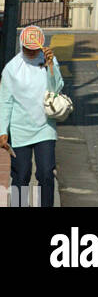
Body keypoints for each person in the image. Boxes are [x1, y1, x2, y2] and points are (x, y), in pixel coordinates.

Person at [0, 25, 65, 208]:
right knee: (21, 174)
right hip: (19, 129)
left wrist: (51, 67)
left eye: (34, 49)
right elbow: (5, 101)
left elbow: (56, 89)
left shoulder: (49, 61)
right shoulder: (12, 68)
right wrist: (2, 130)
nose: (31, 52)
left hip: (45, 127)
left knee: (45, 172)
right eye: (27, 48)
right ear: (22, 45)